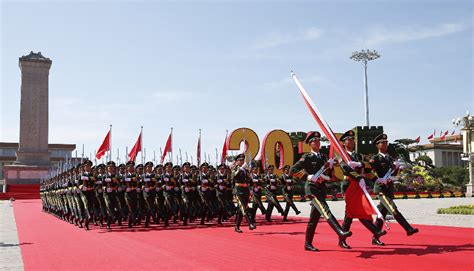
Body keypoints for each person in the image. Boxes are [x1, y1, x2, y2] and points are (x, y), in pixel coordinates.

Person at [290, 131, 351, 251]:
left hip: (321, 189)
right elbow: (293, 170)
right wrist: (307, 176)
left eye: (319, 140)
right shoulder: (307, 157)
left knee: (314, 219)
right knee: (325, 209)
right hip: (311, 189)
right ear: (310, 143)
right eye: (315, 141)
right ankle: (340, 231)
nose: (318, 143)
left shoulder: (323, 157)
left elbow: (330, 176)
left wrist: (331, 167)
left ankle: (307, 243)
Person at [337, 130, 387, 249]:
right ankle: (375, 231)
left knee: (352, 213)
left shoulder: (358, 155)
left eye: (352, 139)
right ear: (344, 143)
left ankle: (342, 239)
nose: (351, 141)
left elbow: (367, 168)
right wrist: (357, 172)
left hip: (359, 185)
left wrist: (377, 179)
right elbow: (344, 168)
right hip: (349, 184)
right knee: (354, 211)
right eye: (348, 139)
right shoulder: (341, 155)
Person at [370, 133, 419, 238]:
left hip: (389, 188)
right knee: (393, 209)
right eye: (383, 143)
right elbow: (369, 173)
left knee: (381, 213)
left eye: (386, 142)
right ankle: (408, 228)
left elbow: (394, 173)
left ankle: (375, 236)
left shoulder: (389, 158)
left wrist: (397, 169)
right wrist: (379, 180)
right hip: (381, 189)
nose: (385, 144)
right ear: (377, 145)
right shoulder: (375, 159)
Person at [232, 153, 256, 233]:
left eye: (243, 160)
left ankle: (237, 226)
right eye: (240, 160)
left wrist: (251, 188)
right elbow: (234, 176)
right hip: (238, 190)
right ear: (237, 161)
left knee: (241, 210)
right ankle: (250, 224)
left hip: (245, 190)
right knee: (243, 207)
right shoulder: (235, 168)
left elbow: (249, 180)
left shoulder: (245, 170)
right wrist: (241, 168)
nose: (242, 161)